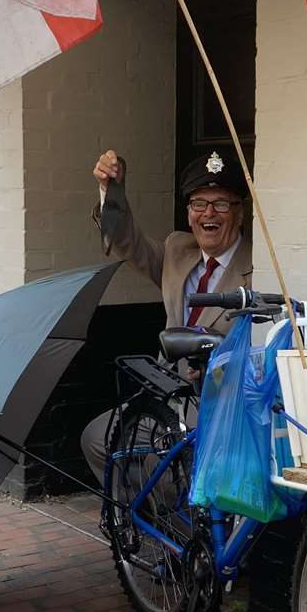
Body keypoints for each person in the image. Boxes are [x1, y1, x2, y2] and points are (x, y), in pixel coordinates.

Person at [80, 147, 252, 485]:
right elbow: (126, 242)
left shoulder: (256, 267)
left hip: (216, 402)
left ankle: (181, 528)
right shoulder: (177, 251)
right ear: (189, 214)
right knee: (98, 440)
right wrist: (111, 189)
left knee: (175, 467)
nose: (208, 213)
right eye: (199, 204)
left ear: (239, 213)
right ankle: (144, 522)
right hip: (163, 392)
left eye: (221, 204)